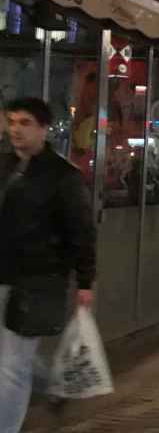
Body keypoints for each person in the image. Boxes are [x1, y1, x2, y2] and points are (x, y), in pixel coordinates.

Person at [0, 98, 96, 432]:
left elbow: (82, 231)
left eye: (25, 123)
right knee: (14, 357)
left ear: (43, 129)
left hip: (39, 280)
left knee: (13, 364)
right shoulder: (5, 166)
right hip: (4, 275)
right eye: (11, 121)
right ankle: (53, 385)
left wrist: (85, 282)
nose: (15, 129)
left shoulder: (63, 176)